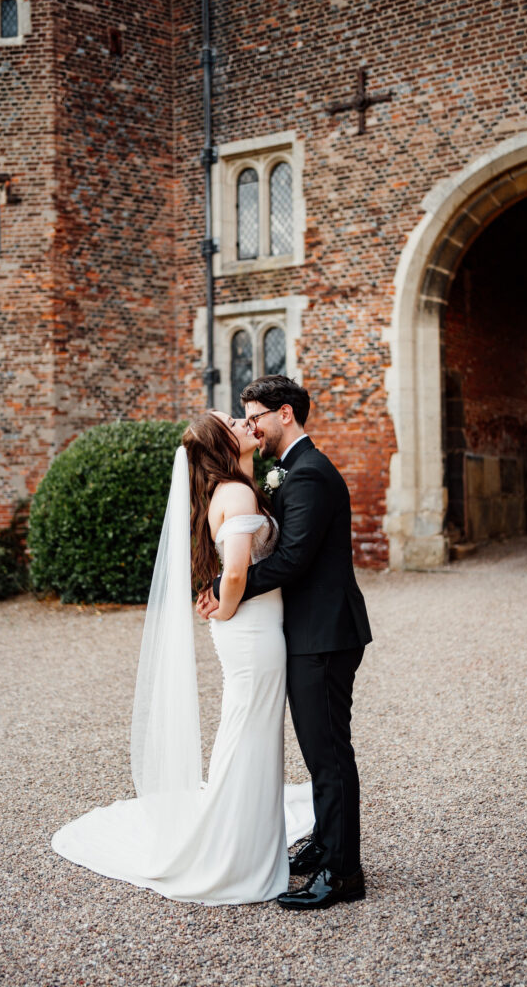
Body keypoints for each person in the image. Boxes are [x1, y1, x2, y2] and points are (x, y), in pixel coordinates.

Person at [51, 411, 313, 905]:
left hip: (253, 630)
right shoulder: (234, 494)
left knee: (250, 729)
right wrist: (225, 608)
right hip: (252, 632)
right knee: (247, 731)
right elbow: (234, 574)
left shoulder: (234, 487)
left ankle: (250, 845)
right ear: (222, 443)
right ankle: (234, 853)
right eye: (234, 421)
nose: (244, 421)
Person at [198, 375, 372, 911]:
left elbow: (293, 558)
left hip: (323, 634)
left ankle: (343, 873)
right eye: (245, 419)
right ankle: (326, 843)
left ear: (285, 415)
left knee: (328, 753)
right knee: (318, 748)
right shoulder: (288, 471)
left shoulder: (310, 475)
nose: (251, 425)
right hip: (306, 632)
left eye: (255, 416)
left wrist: (230, 590)